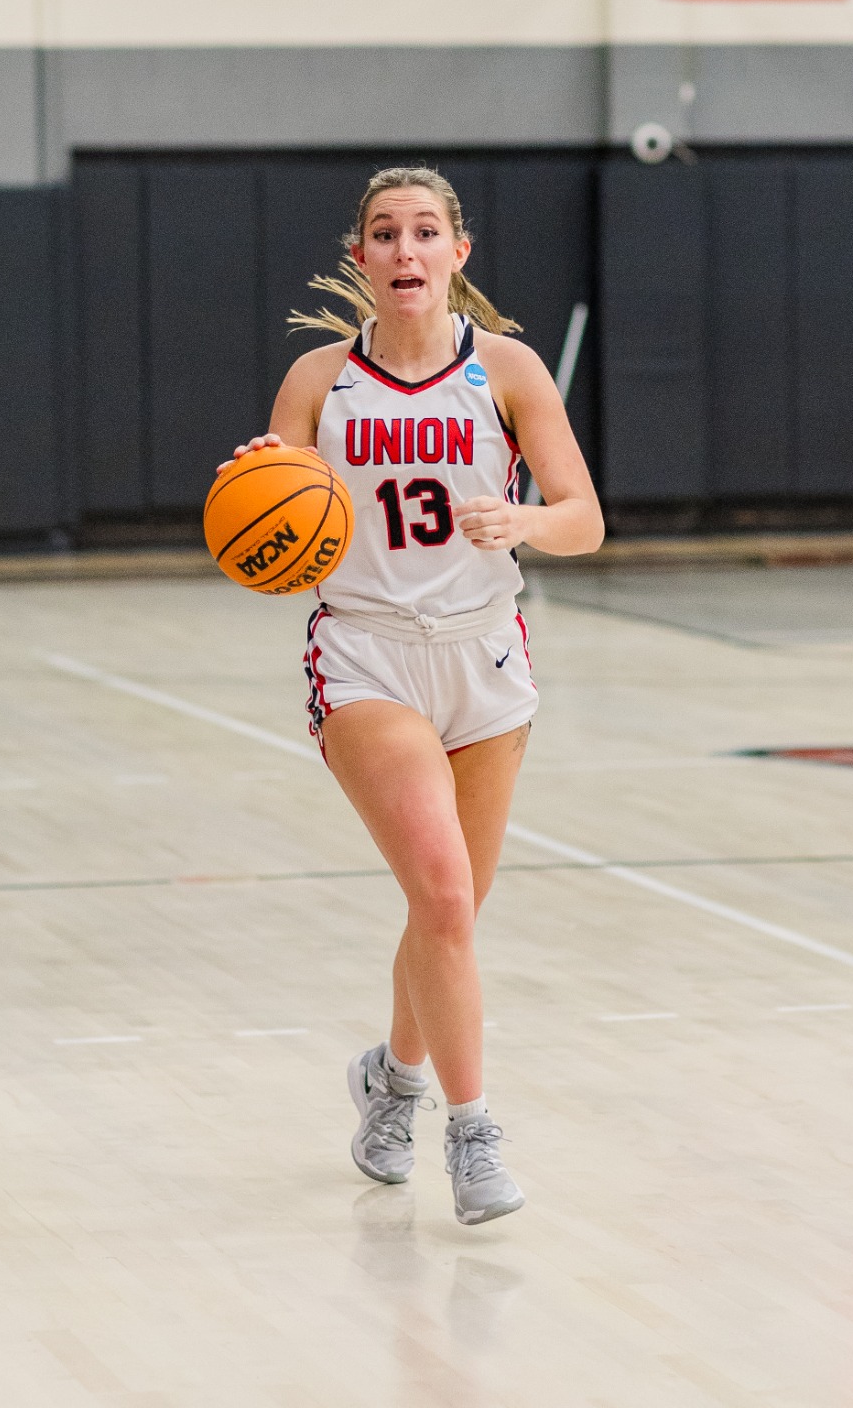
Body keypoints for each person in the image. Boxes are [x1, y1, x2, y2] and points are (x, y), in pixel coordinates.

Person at [225, 165, 603, 1225]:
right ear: (361, 257)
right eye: (385, 233)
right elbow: (275, 523)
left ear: (456, 253)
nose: (405, 249)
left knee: (452, 912)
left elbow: (583, 517)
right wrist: (257, 488)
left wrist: (524, 522)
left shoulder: (508, 370)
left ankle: (390, 1079)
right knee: (440, 896)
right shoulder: (317, 381)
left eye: (424, 231)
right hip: (368, 657)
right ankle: (469, 1134)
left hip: (485, 656)